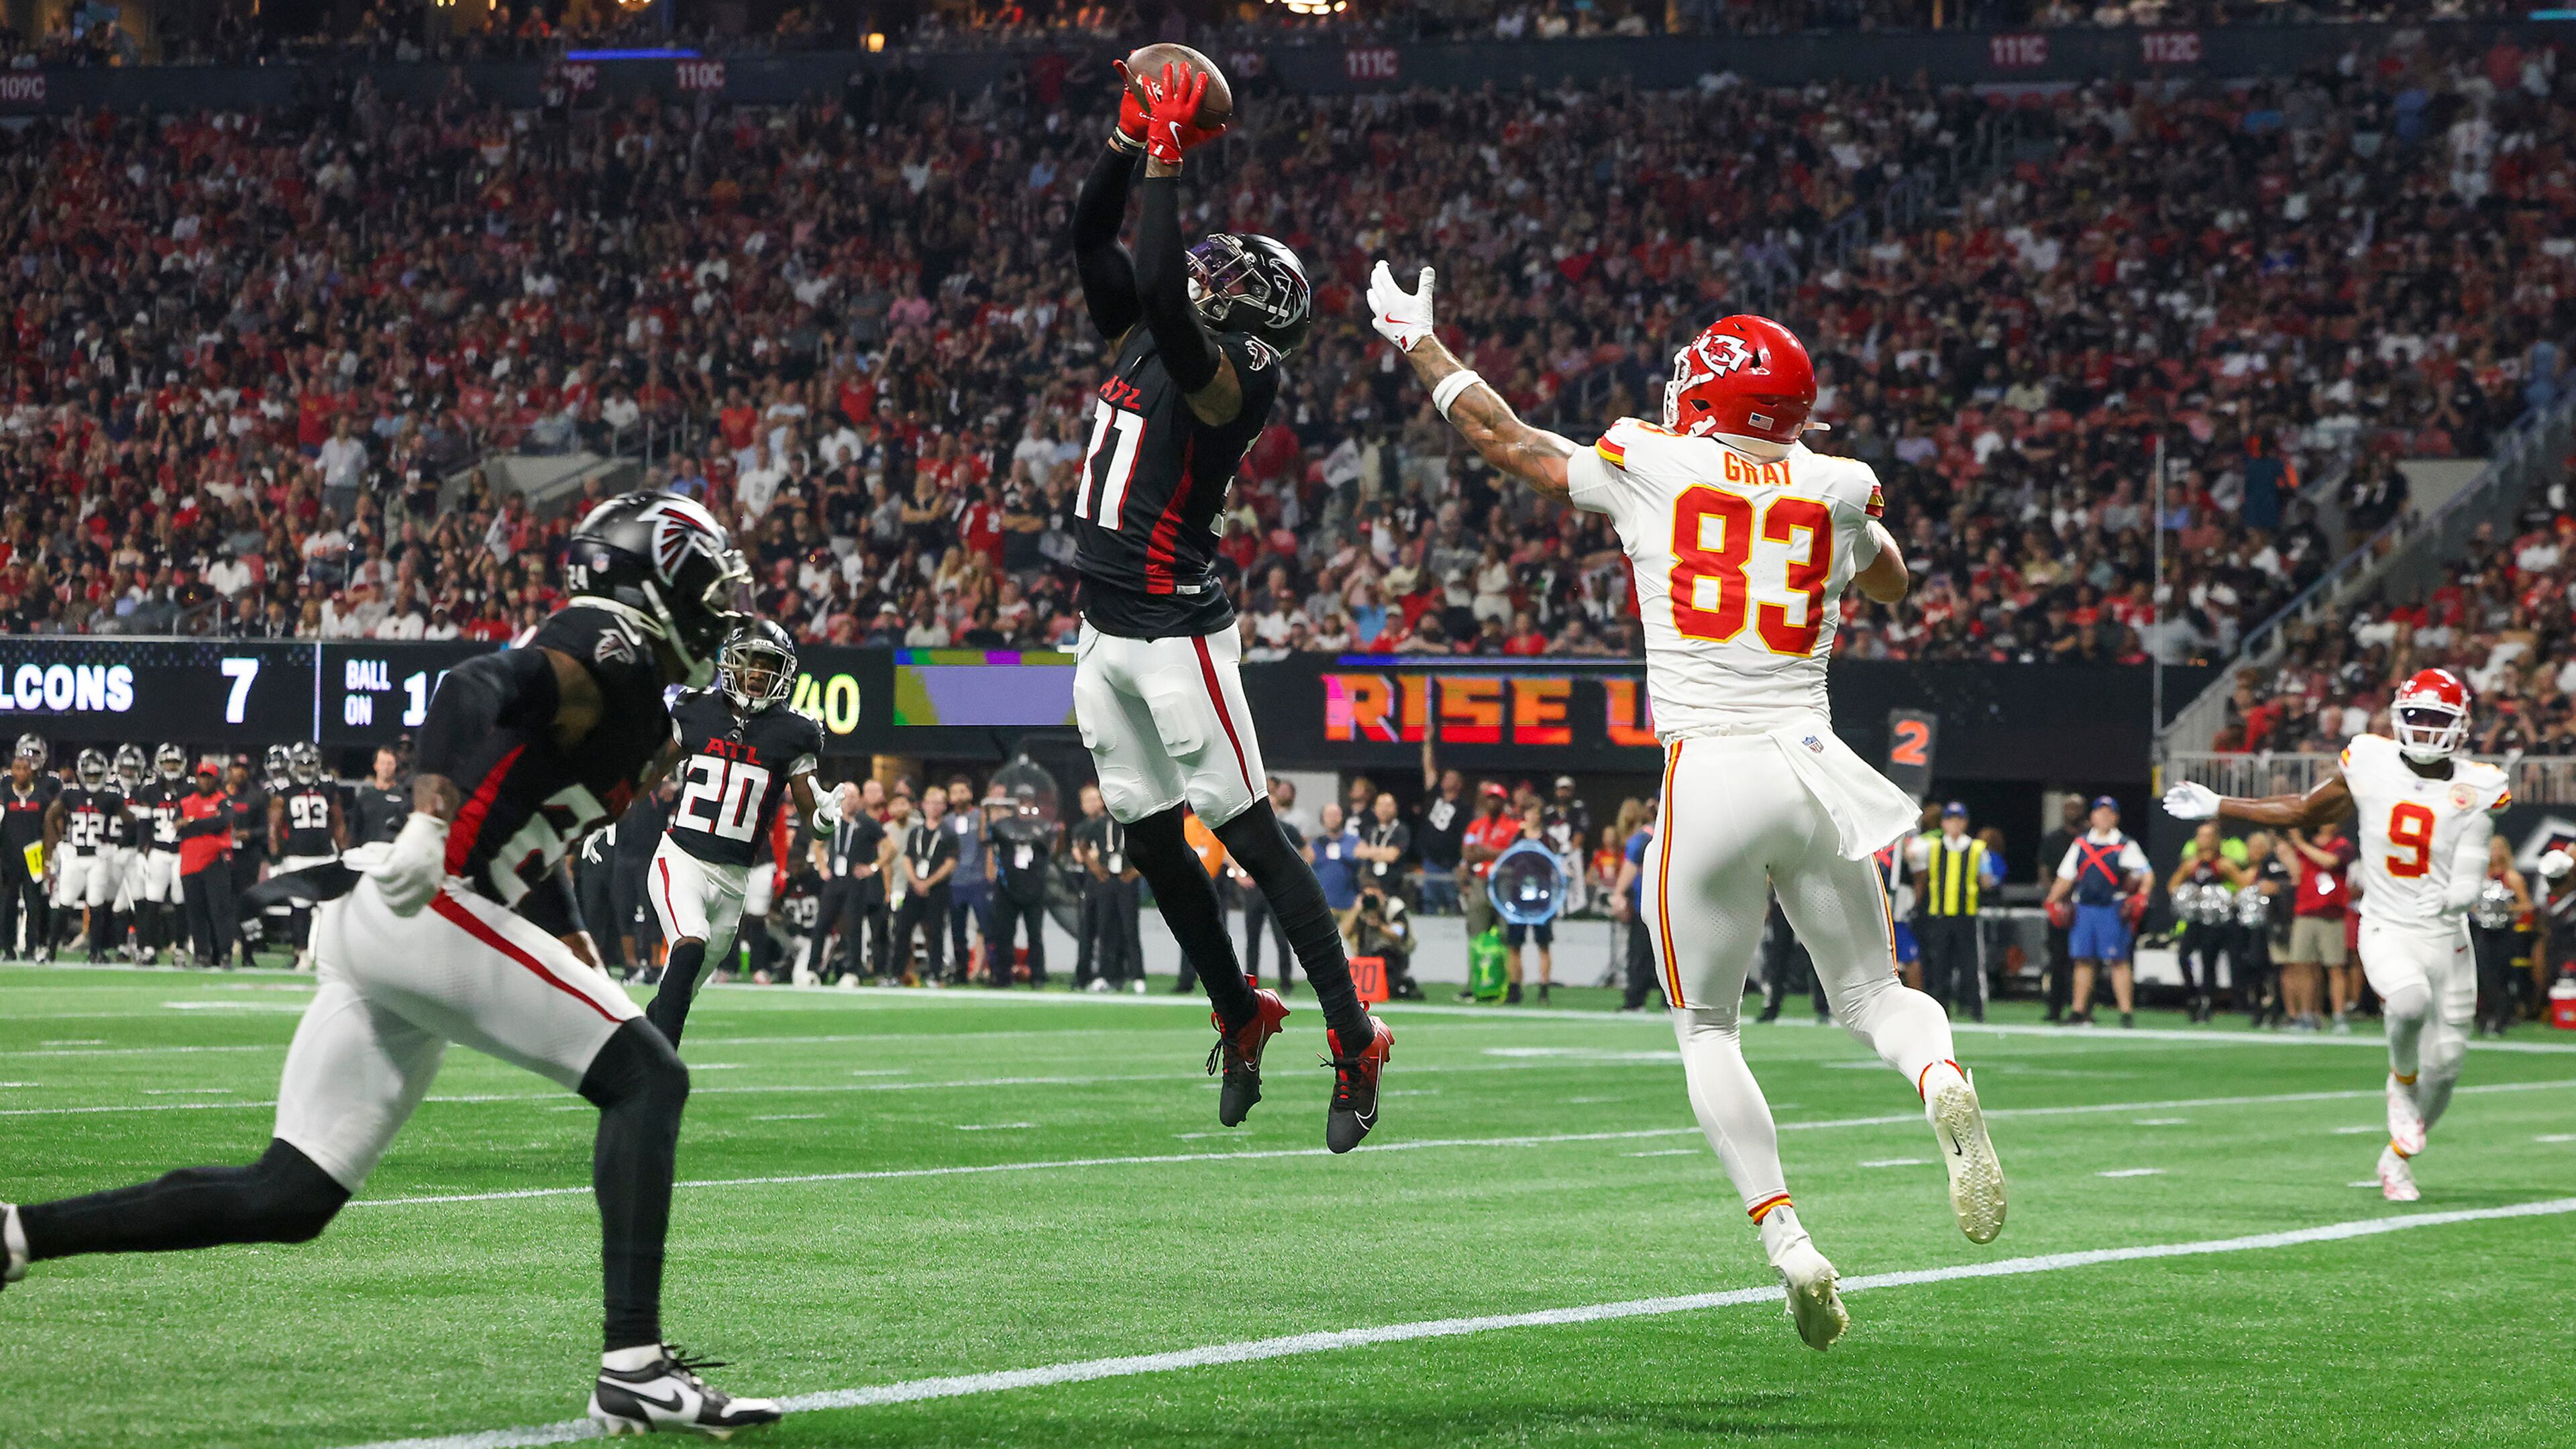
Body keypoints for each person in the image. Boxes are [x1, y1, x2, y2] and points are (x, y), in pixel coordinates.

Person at [1, 490, 782, 1436]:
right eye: (705, 586)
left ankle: (17, 1232)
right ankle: (635, 1367)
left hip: (406, 918)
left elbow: (535, 842)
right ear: (651, 583)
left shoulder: (647, 712)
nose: (719, 608)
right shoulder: (606, 646)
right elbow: (467, 687)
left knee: (290, 1195)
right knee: (649, 1078)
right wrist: (425, 819)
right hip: (427, 899)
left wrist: (572, 940)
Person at [1371, 274, 2002, 1350]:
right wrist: (1836, 511)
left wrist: (1418, 343)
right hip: (1814, 767)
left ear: (1710, 395)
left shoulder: (1652, 460)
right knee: (1875, 996)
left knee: (1708, 1027)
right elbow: (1892, 582)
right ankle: (1940, 1074)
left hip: (1710, 769)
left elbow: (1504, 439)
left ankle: (1788, 1241)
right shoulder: (1841, 485)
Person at [1067, 59, 1387, 1148]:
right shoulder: (1150, 332)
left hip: (1174, 632)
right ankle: (1241, 1009)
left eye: (1228, 274)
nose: (1206, 272)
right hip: (1103, 630)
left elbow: (1164, 289)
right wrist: (1125, 144)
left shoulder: (1242, 373)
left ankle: (1355, 1037)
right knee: (1152, 844)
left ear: (1255, 308)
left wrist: (1166, 161)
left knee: (1250, 834)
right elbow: (1090, 239)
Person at [2165, 667, 2507, 1203]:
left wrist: (2456, 896)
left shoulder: (2481, 784)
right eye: (2416, 716)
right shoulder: (2370, 758)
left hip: (2447, 935)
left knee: (2447, 1066)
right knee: (2409, 1001)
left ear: (2461, 726)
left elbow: (2472, 865)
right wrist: (2220, 804)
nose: (2424, 728)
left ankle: (2396, 1161)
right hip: (2387, 923)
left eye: (2437, 718)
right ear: (2397, 717)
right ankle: (2400, 1082)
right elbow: (2306, 808)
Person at [644, 620, 841, 1045]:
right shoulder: (695, 709)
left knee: (677, 994)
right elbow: (651, 771)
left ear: (783, 672)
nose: (756, 671)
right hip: (682, 859)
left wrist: (825, 820)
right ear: (730, 663)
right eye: (750, 660)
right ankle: (662, 1072)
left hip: (735, 880)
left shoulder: (794, 733)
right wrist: (607, 812)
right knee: (690, 943)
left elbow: (813, 819)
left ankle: (633, 1049)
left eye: (767, 663)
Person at [2043, 796, 2150, 1028]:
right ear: (2092, 817)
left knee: (2118, 960)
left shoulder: (2124, 844)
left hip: (2112, 907)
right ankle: (2078, 1010)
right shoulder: (2081, 844)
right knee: (2082, 960)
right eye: (2100, 813)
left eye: (2108, 813)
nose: (2104, 817)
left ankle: (2126, 1013)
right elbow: (2065, 877)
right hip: (2084, 908)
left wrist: (2141, 896)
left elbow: (2146, 874)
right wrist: (2052, 901)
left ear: (2116, 818)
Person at [268, 743, 347, 971]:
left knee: (327, 909)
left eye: (309, 764)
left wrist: (344, 852)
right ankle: (301, 953)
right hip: (298, 856)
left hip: (323, 856)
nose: (305, 768)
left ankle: (321, 954)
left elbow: (338, 823)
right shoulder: (285, 792)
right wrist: (276, 856)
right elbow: (274, 827)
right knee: (301, 908)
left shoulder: (327, 790)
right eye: (301, 764)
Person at [1907, 802, 1990, 1022]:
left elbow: (1987, 879)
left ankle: (1974, 1009)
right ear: (1943, 823)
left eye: (1958, 820)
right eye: (1950, 820)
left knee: (1969, 965)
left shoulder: (1976, 848)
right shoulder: (1933, 846)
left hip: (1966, 914)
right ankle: (1940, 1010)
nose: (1954, 825)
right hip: (1940, 915)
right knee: (1939, 965)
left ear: (1965, 823)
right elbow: (1911, 854)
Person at [2283, 818, 2359, 1032]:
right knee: (2303, 965)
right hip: (2305, 912)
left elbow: (2330, 862)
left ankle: (2339, 1016)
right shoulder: (2307, 845)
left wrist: (2300, 843)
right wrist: (2286, 848)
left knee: (2335, 967)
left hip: (2331, 914)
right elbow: (2296, 873)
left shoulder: (2341, 845)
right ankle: (2307, 1015)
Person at [2165, 821, 2245, 1024]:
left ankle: (2207, 1003)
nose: (2204, 840)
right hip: (2195, 919)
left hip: (2215, 922)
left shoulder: (2224, 864)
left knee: (2209, 963)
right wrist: (2187, 896)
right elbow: (2172, 885)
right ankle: (2192, 995)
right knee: (2183, 956)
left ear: (2217, 840)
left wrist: (2225, 899)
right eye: (2200, 836)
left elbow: (2244, 885)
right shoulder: (2191, 864)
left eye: (2208, 836)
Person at [44, 750, 118, 963]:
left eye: (96, 775)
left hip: (97, 857)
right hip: (74, 856)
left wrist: (116, 844)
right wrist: (59, 842)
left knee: (96, 904)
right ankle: (50, 950)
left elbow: (130, 821)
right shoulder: (70, 794)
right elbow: (50, 816)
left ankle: (95, 951)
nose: (93, 779)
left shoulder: (110, 796)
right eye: (90, 775)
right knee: (65, 903)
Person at [816, 777, 889, 985]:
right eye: (845, 797)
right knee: (822, 923)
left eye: (853, 797)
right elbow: (817, 843)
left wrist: (873, 867)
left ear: (859, 800)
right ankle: (814, 968)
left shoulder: (866, 822)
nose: (849, 801)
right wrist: (822, 867)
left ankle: (853, 969)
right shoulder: (832, 818)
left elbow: (890, 847)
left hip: (854, 882)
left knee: (854, 925)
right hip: (834, 879)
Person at [1070, 784, 1140, 991]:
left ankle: (1122, 975)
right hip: (1094, 883)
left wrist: (1134, 871)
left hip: (1115, 880)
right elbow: (1080, 851)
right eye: (1088, 800)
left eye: (1096, 799)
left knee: (1122, 929)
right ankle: (1085, 976)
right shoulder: (1085, 827)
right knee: (1092, 930)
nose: (1093, 804)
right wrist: (1095, 866)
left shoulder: (1118, 823)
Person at [1234, 779, 1303, 993]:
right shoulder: (1248, 829)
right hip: (1255, 889)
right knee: (1252, 938)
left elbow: (1306, 853)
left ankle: (1286, 981)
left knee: (1281, 938)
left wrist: (1290, 875)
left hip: (1276, 889)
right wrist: (1239, 875)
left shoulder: (1286, 830)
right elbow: (1229, 852)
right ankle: (1251, 979)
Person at [1456, 782, 1523, 1002]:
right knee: (1476, 935)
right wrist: (1495, 853)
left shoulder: (1513, 827)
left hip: (1504, 882)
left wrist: (1484, 852)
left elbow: (1513, 855)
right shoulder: (1476, 826)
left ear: (1503, 802)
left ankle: (1504, 984)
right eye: (1490, 798)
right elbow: (1468, 854)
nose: (1493, 802)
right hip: (1480, 882)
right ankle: (1474, 983)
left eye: (1497, 799)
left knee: (1505, 935)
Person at [986, 786, 1055, 989]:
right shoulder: (1004, 825)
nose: (1026, 806)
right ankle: (1002, 975)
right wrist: (990, 813)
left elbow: (1051, 852)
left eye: (1029, 801)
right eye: (1022, 801)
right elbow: (988, 839)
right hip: (1007, 886)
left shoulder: (1043, 827)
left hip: (1034, 887)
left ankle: (1038, 975)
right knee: (1004, 934)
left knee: (1035, 935)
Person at [889, 789, 958, 985]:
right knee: (902, 930)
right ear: (924, 805)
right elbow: (908, 858)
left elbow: (950, 863)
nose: (934, 807)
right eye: (930, 802)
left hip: (937, 890)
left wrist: (928, 883)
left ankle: (935, 973)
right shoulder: (916, 832)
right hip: (914, 889)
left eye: (938, 803)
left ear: (944, 807)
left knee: (935, 933)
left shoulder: (948, 833)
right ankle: (896, 973)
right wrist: (916, 881)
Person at [2467, 834, 2532, 1038]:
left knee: (2503, 975)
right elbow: (2469, 903)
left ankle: (2501, 1019)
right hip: (2482, 931)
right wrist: (2479, 909)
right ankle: (2483, 1016)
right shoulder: (2479, 877)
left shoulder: (2512, 877)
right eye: (2491, 848)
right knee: (2482, 974)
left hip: (2504, 933)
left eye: (2498, 848)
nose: (2494, 853)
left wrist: (2504, 908)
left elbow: (2527, 905)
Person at [2, 735, 57, 961]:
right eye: (17, 768)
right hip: (8, 856)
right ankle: (8, 948)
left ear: (31, 771)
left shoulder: (43, 797)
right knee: (7, 904)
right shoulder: (4, 795)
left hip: (34, 855)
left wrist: (47, 860)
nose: (22, 773)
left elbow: (49, 830)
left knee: (34, 904)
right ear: (12, 771)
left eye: (25, 769)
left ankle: (31, 948)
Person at [131, 744, 189, 963]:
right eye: (167, 763)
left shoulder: (189, 789)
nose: (171, 767)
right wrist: (141, 851)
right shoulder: (149, 790)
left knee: (180, 901)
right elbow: (144, 825)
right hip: (158, 851)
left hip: (182, 851)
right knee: (152, 900)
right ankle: (148, 948)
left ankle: (181, 948)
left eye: (175, 763)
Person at [175, 761, 235, 968]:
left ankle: (224, 953)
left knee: (219, 911)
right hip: (190, 863)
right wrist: (206, 823)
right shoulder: (186, 802)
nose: (205, 781)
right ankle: (202, 954)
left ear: (216, 779)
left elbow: (223, 822)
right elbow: (178, 827)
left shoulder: (222, 801)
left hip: (214, 862)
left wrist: (193, 823)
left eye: (209, 777)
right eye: (202, 776)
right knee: (195, 913)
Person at [2034, 796, 2086, 1022]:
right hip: (2060, 904)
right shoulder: (2053, 839)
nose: (2072, 811)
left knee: (2084, 959)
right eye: (2069, 807)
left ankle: (2082, 1009)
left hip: (2083, 906)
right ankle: (2055, 1008)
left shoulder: (2088, 839)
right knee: (2058, 958)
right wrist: (2054, 898)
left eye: (2077, 807)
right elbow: (2045, 871)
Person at [1609, 814, 1664, 1013]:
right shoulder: (1680, 833)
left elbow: (1631, 866)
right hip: (1671, 906)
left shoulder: (1643, 838)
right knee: (1670, 958)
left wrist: (1618, 894)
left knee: (1641, 956)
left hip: (1649, 906)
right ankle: (1672, 1002)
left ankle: (1635, 1000)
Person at [943, 777, 996, 983]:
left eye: (963, 791)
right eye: (955, 792)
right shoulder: (946, 822)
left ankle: (993, 971)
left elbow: (988, 846)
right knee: (957, 930)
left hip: (978, 880)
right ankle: (961, 971)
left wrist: (989, 874)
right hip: (954, 882)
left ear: (971, 794)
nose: (959, 796)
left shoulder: (980, 817)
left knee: (988, 928)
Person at [1756, 893, 1829, 1025]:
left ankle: (1823, 1007)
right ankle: (1772, 1006)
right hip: (1782, 903)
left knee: (1814, 956)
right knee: (1779, 957)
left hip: (1808, 903)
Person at [1415, 741, 1468, 914]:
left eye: (1451, 778)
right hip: (1430, 860)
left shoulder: (1463, 807)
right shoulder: (1435, 796)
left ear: (1459, 784)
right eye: (1446, 777)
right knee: (1429, 902)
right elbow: (1429, 771)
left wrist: (1462, 862)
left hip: (1450, 863)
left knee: (1453, 902)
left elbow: (1465, 835)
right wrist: (1428, 744)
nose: (1446, 779)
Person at [1344, 879, 1417, 1000]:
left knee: (1390, 987)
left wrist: (1379, 926)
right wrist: (1356, 909)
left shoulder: (1393, 906)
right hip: (1366, 957)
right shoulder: (1362, 908)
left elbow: (1398, 933)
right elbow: (1346, 932)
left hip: (1392, 956)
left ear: (1381, 893)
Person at [348, 747, 411, 846]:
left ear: (395, 766)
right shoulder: (364, 798)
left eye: (390, 764)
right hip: (368, 851)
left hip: (393, 851)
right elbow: (355, 831)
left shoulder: (404, 797)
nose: (386, 767)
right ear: (376, 766)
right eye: (382, 763)